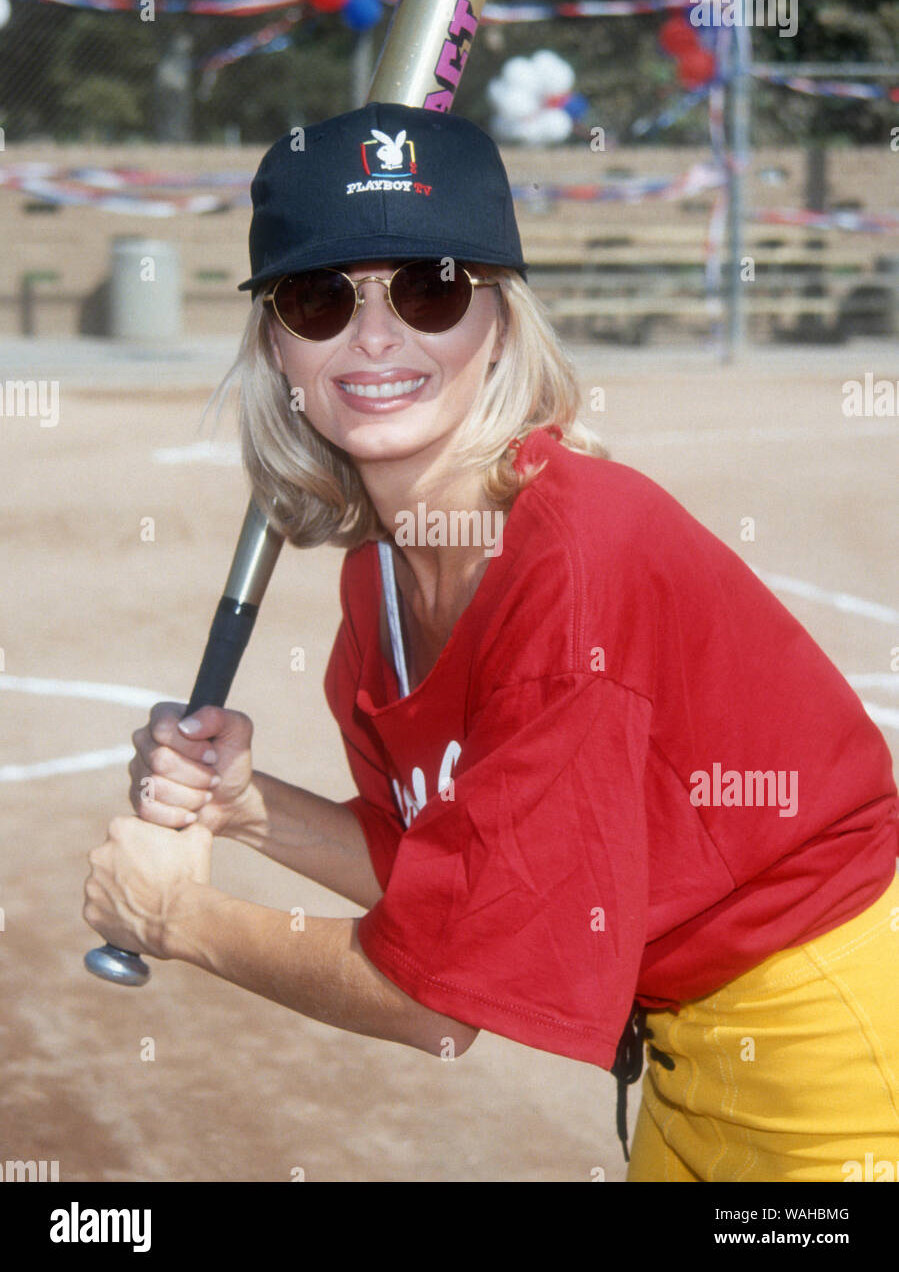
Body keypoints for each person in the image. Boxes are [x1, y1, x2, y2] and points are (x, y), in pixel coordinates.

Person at [84, 103, 899, 1182]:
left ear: (501, 321)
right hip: (690, 1059)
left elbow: (439, 1001)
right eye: (319, 297)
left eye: (428, 288)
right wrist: (250, 808)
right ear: (276, 345)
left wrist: (174, 914)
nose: (374, 338)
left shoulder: (575, 553)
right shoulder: (377, 581)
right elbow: (446, 880)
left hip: (839, 1041)